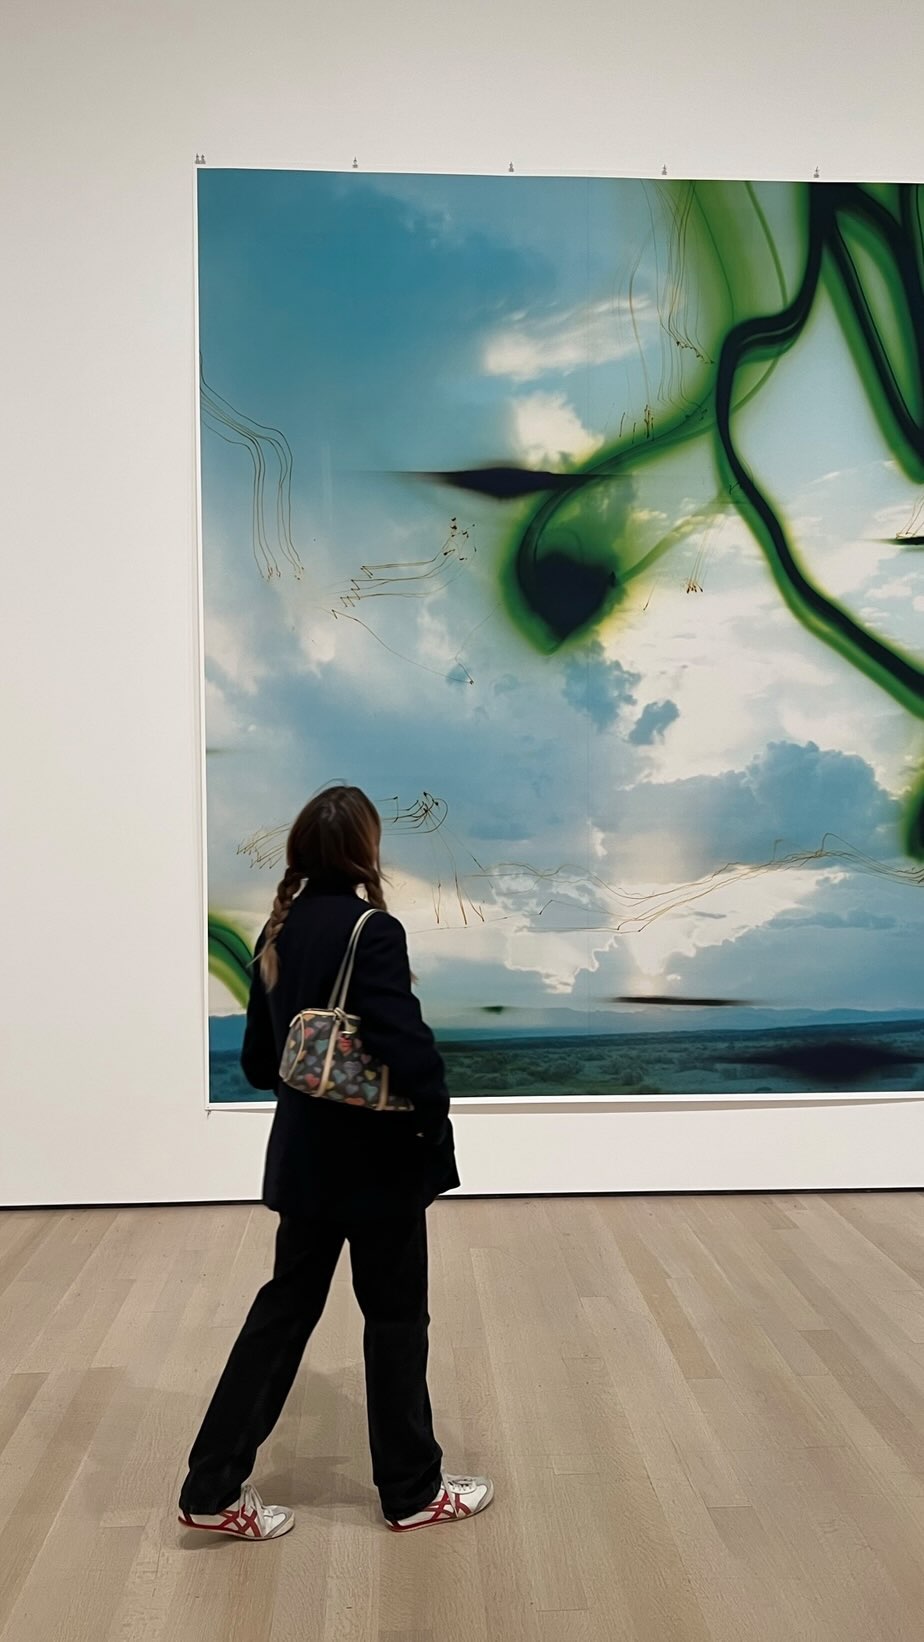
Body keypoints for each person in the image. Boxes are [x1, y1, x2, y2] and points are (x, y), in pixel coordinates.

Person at [178, 784, 493, 1539]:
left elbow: (259, 1063)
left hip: (304, 1162)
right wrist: (435, 1115)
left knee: (283, 1313)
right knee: (395, 1320)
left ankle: (210, 1489)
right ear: (364, 850)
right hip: (378, 1166)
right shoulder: (372, 930)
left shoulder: (277, 931)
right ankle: (412, 1492)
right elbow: (404, 1044)